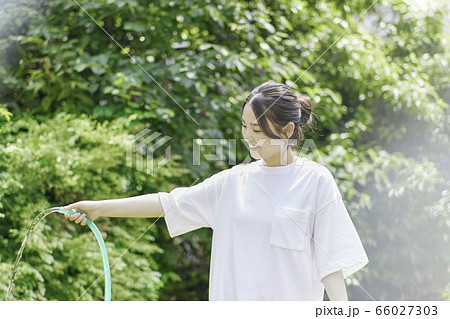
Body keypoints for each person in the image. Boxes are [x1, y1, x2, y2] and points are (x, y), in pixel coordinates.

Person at [65, 80, 369, 301]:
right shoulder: (232, 182)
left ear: (287, 131)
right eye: (244, 126)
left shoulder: (315, 180)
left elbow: (332, 261)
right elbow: (168, 203)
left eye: (258, 130)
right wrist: (99, 207)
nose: (248, 137)